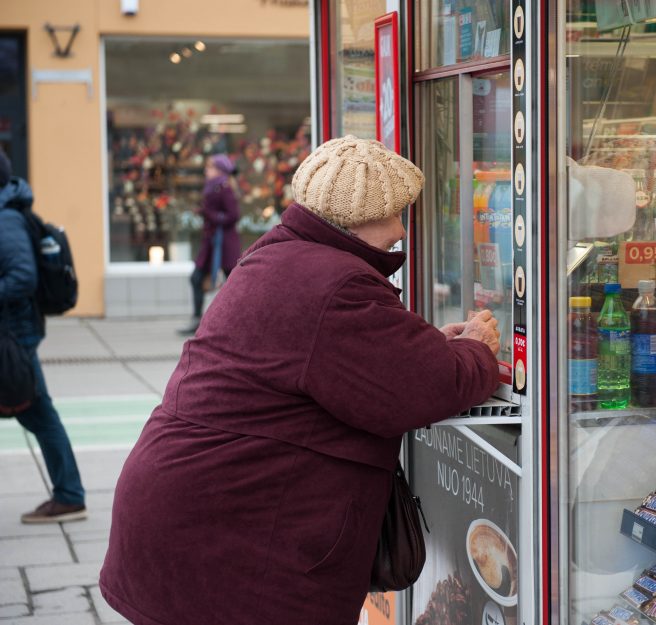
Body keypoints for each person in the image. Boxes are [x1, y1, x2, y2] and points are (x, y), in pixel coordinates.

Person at [100, 136, 501, 625]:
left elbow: (338, 360)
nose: (400, 230)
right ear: (359, 216)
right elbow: (424, 387)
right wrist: (476, 348)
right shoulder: (336, 282)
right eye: (396, 212)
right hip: (232, 541)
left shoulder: (282, 258)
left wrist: (422, 346)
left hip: (189, 519)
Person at [0, 148, 87, 523]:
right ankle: (69, 493)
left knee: (38, 413)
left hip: (12, 336)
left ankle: (69, 495)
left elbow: (22, 277)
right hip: (13, 333)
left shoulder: (5, 220)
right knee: (38, 412)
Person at [178, 153, 242, 335]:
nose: (206, 171)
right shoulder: (212, 187)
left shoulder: (224, 188)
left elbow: (232, 216)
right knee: (197, 278)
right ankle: (197, 319)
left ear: (219, 170)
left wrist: (209, 214)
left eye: (210, 167)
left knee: (232, 284)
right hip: (212, 244)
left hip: (223, 245)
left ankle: (234, 321)